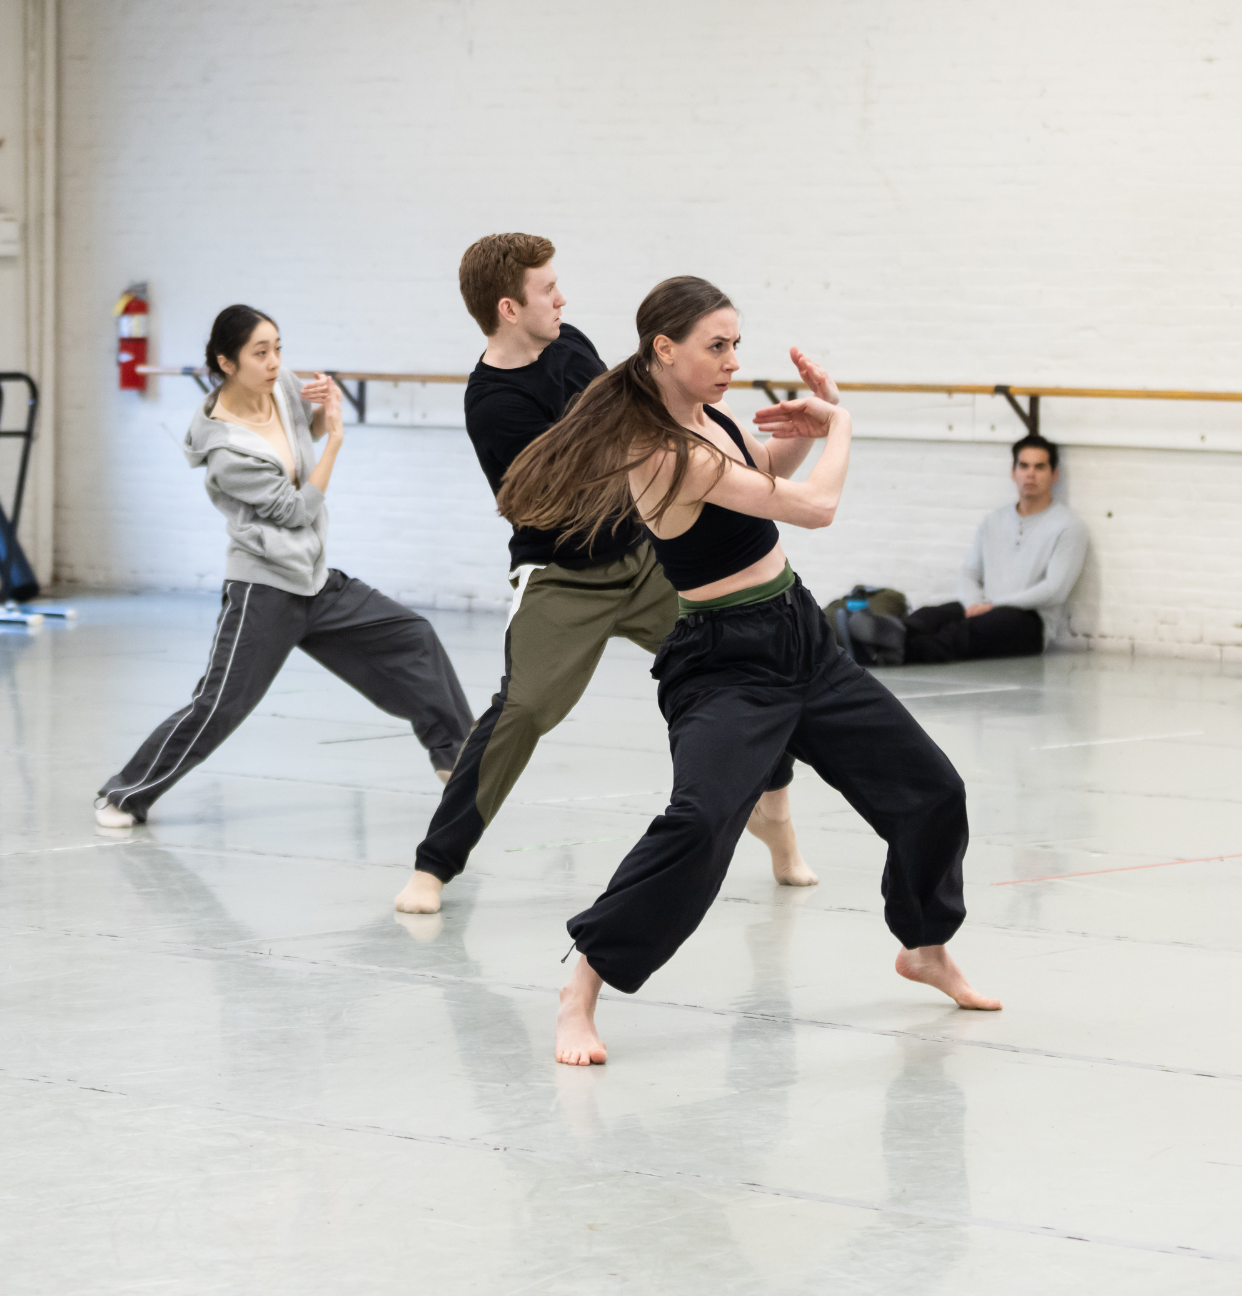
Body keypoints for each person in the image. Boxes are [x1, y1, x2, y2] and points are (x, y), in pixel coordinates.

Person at [494, 277, 996, 1067]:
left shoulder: (709, 416)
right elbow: (812, 507)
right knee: (697, 825)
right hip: (726, 664)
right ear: (665, 348)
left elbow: (759, 475)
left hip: (801, 634)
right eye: (716, 346)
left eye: (736, 344)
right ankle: (582, 985)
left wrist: (795, 431)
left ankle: (925, 943)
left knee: (933, 789)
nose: (732, 361)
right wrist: (841, 427)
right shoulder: (662, 448)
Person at [395, 234, 814, 919]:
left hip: (645, 557)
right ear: (508, 307)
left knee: (750, 659)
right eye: (547, 290)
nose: (562, 298)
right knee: (523, 709)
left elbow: (638, 413)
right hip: (564, 577)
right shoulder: (493, 404)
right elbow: (551, 492)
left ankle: (777, 825)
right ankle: (433, 866)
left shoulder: (571, 345)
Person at [94, 305, 473, 826]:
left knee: (413, 635)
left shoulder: (282, 386)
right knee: (219, 706)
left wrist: (325, 412)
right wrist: (337, 440)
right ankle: (124, 794)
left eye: (277, 348)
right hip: (265, 589)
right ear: (227, 363)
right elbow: (296, 510)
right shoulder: (227, 450)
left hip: (315, 580)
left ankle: (458, 762)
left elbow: (304, 434)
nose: (274, 362)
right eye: (260, 352)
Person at [888, 435, 1087, 666]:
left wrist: (994, 605)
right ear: (1013, 473)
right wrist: (973, 604)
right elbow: (969, 572)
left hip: (1030, 620)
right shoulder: (994, 520)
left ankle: (893, 652)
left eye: (1039, 467)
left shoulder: (1068, 526)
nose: (1030, 474)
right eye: (1024, 466)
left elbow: (1055, 590)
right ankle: (881, 638)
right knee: (929, 616)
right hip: (986, 606)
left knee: (964, 633)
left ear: (1054, 475)